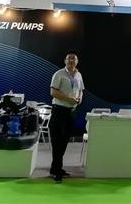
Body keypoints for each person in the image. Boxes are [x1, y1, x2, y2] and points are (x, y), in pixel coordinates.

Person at [49, 51, 84, 183]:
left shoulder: (79, 75)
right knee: (57, 141)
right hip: (59, 111)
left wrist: (79, 99)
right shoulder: (59, 74)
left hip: (71, 112)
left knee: (64, 141)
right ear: (65, 61)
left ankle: (56, 168)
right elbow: (53, 92)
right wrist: (68, 99)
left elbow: (81, 90)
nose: (71, 61)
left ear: (77, 62)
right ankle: (56, 170)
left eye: (74, 59)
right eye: (69, 59)